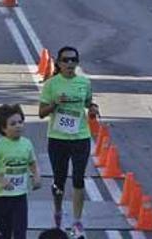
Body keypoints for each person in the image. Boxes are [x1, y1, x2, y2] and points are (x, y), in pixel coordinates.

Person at [38, 47, 99, 238]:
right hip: (58, 138)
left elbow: (89, 102)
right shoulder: (51, 84)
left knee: (79, 179)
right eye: (66, 60)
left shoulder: (84, 82)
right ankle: (58, 213)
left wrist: (93, 109)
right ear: (58, 63)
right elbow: (41, 113)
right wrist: (55, 103)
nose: (70, 64)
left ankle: (77, 221)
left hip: (80, 137)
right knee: (59, 180)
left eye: (73, 60)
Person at [0, 104, 41, 239]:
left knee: (20, 233)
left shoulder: (27, 144)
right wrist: (0, 180)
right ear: (3, 128)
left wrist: (36, 176)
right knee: (4, 234)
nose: (18, 126)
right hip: (0, 197)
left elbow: (32, 162)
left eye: (20, 122)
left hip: (19, 196)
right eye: (13, 124)